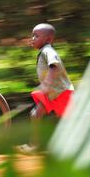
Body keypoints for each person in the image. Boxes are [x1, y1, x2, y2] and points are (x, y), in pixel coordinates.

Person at [17, 23, 74, 154]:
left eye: (36, 36)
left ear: (48, 39)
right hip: (52, 93)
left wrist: (47, 83)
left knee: (72, 116)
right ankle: (34, 145)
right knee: (35, 115)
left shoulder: (48, 50)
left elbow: (55, 65)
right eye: (32, 35)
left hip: (60, 92)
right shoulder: (44, 51)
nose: (32, 38)